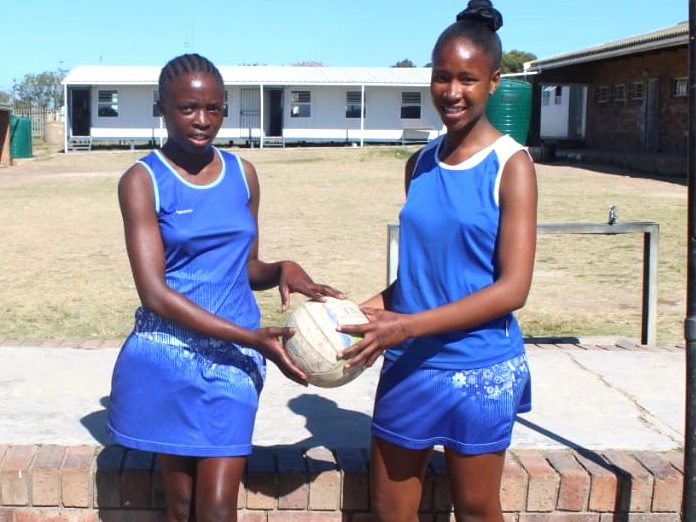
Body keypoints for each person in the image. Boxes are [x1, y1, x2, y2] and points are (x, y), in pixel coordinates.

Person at [106, 53, 342, 522]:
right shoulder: (142, 181)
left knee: (216, 509)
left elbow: (244, 267)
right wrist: (253, 337)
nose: (202, 121)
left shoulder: (243, 174)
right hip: (168, 356)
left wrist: (280, 270)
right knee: (179, 507)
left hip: (232, 362)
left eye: (214, 108)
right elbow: (154, 293)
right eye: (188, 108)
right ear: (162, 107)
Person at [337, 2, 538, 521]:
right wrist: (348, 317)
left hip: (479, 368)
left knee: (474, 508)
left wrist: (407, 326)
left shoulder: (510, 166)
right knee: (389, 508)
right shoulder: (420, 163)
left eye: (468, 79)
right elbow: (420, 276)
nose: (452, 92)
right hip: (410, 368)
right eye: (442, 77)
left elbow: (512, 289)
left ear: (494, 82)